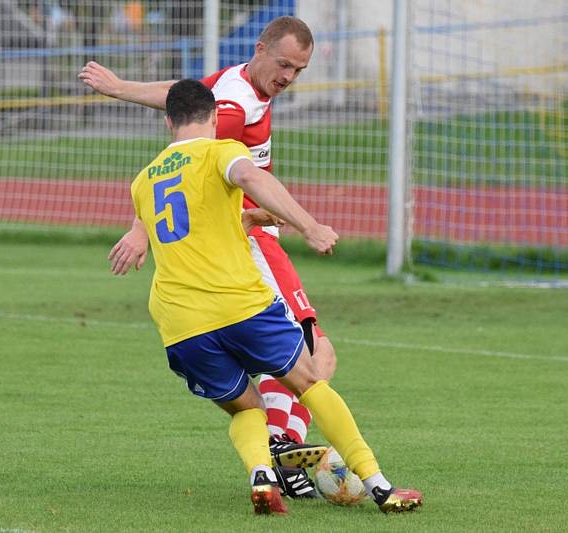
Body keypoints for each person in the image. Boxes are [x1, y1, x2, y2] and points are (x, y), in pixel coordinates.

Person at [121, 78, 421, 515]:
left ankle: (261, 476)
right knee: (309, 381)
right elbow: (248, 174)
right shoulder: (222, 150)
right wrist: (308, 225)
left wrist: (247, 217)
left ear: (168, 121)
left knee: (246, 406)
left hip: (180, 322)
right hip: (238, 302)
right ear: (214, 117)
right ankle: (379, 485)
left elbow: (198, 231)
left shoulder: (144, 181)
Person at [80, 16, 337, 498]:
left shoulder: (234, 81)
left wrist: (121, 87)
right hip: (249, 242)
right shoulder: (235, 107)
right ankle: (286, 444)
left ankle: (278, 446)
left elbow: (182, 96)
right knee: (318, 357)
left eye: (298, 70)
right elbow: (185, 150)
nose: (287, 77)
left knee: (291, 362)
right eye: (283, 64)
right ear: (260, 49)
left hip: (245, 241)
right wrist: (306, 224)